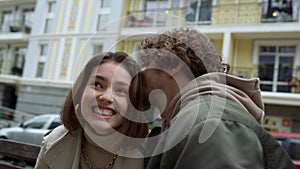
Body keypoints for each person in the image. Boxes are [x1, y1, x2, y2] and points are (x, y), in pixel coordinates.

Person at [129, 27, 296, 169]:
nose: (141, 73)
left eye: (145, 63)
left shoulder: (208, 121)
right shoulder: (196, 117)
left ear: (172, 64)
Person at [34, 52, 149, 169]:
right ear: (80, 93)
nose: (106, 97)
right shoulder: (54, 143)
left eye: (120, 91)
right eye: (97, 85)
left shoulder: (148, 154)